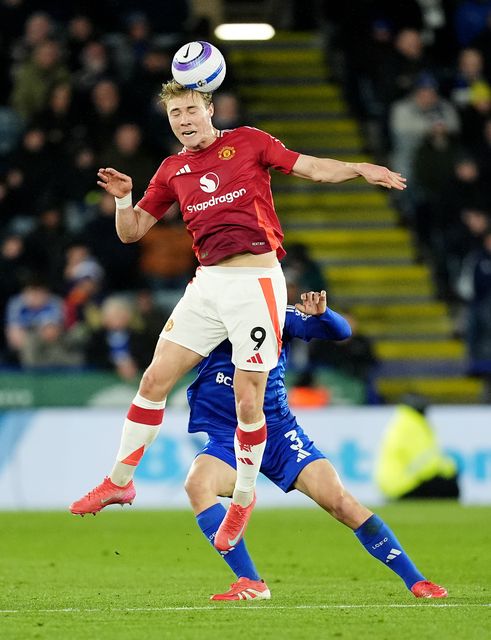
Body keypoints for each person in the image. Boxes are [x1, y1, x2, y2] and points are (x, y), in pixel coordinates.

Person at [70, 78, 406, 553]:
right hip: (208, 283)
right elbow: (132, 232)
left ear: (209, 109)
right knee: (153, 379)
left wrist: (358, 169)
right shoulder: (171, 170)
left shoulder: (248, 142)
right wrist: (124, 198)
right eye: (175, 115)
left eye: (190, 111)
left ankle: (243, 498)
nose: (184, 121)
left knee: (250, 400)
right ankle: (119, 480)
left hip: (256, 282)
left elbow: (311, 168)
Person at [184, 291, 447, 601]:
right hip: (229, 435)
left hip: (278, 434)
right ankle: (250, 581)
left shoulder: (276, 314)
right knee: (197, 485)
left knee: (340, 503)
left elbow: (342, 332)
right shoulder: (205, 318)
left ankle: (417, 581)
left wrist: (323, 315)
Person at [375, 394, 459, 500]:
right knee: (448, 486)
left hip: (393, 485)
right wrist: (450, 469)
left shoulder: (401, 422)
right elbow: (425, 464)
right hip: (403, 485)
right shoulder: (412, 426)